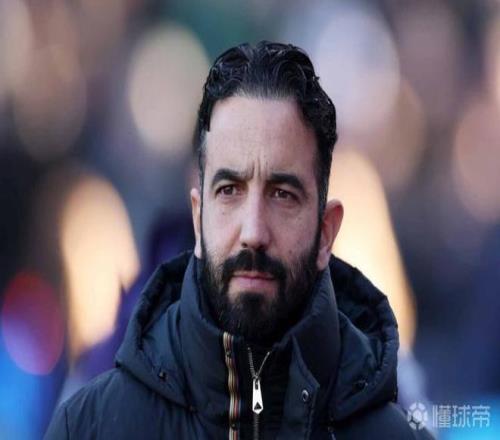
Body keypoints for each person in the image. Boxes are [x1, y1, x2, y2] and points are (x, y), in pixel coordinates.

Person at [45, 41, 434, 439]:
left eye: (282, 195)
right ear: (197, 216)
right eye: (230, 190)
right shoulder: (90, 423)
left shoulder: (397, 425)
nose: (253, 232)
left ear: (326, 231)